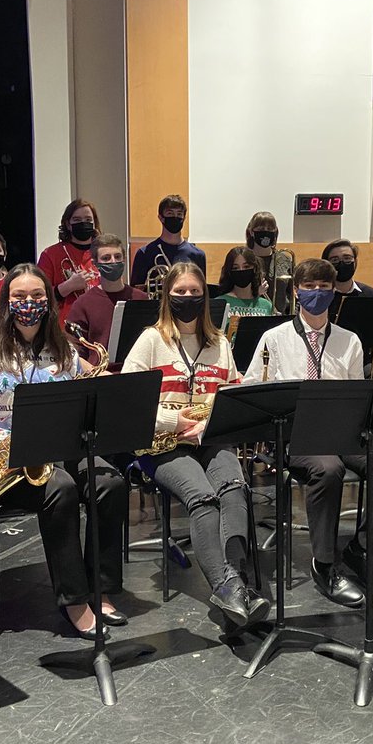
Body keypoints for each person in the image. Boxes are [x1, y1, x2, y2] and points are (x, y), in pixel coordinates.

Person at [0, 263, 130, 636]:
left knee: (111, 483)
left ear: (48, 301)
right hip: (2, 457)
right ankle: (75, 600)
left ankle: (102, 589)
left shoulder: (63, 350)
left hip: (60, 445)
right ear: (6, 302)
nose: (29, 303)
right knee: (60, 488)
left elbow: (91, 387)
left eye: (37, 296)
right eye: (19, 297)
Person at [243, 258, 373, 605]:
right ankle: (324, 565)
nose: (316, 293)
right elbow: (251, 389)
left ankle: (360, 548)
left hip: (343, 430)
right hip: (295, 433)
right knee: (328, 469)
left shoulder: (349, 341)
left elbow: (358, 395)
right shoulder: (273, 338)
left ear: (334, 292)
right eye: (309, 287)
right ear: (295, 291)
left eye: (323, 287)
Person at [121, 263, 268, 630]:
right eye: (180, 291)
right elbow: (128, 401)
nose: (187, 298)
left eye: (194, 291)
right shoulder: (151, 340)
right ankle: (227, 586)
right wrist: (174, 421)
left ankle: (237, 584)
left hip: (210, 436)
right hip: (162, 444)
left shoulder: (219, 343)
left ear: (205, 297)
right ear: (167, 296)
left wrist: (209, 422)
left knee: (234, 489)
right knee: (202, 497)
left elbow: (233, 395)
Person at [68, 233, 147, 357]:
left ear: (124, 259)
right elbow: (74, 353)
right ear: (95, 264)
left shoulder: (142, 299)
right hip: (99, 373)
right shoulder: (83, 304)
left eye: (117, 256)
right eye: (106, 258)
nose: (113, 262)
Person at [37, 199, 101, 323]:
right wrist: (67, 287)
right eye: (77, 220)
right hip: (63, 328)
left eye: (88, 220)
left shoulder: (103, 253)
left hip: (98, 324)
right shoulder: (50, 254)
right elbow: (39, 298)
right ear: (68, 224)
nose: (83, 223)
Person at [129, 194, 206, 290]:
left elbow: (201, 290)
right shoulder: (145, 253)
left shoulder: (197, 254)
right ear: (161, 218)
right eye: (170, 213)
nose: (175, 217)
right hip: (156, 305)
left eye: (179, 214)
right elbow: (137, 291)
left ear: (184, 218)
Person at [215, 246, 273, 341]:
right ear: (229, 271)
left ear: (254, 269)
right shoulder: (220, 303)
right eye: (235, 268)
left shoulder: (266, 305)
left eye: (246, 267)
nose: (241, 271)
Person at [245, 212, 293, 314]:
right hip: (250, 315)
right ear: (251, 231)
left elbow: (295, 292)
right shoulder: (242, 258)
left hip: (281, 320)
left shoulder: (284, 259)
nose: (266, 232)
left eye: (270, 229)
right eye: (261, 229)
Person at [323, 239, 373, 315]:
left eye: (347, 258)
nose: (341, 263)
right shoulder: (320, 295)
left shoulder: (370, 294)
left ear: (355, 262)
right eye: (335, 260)